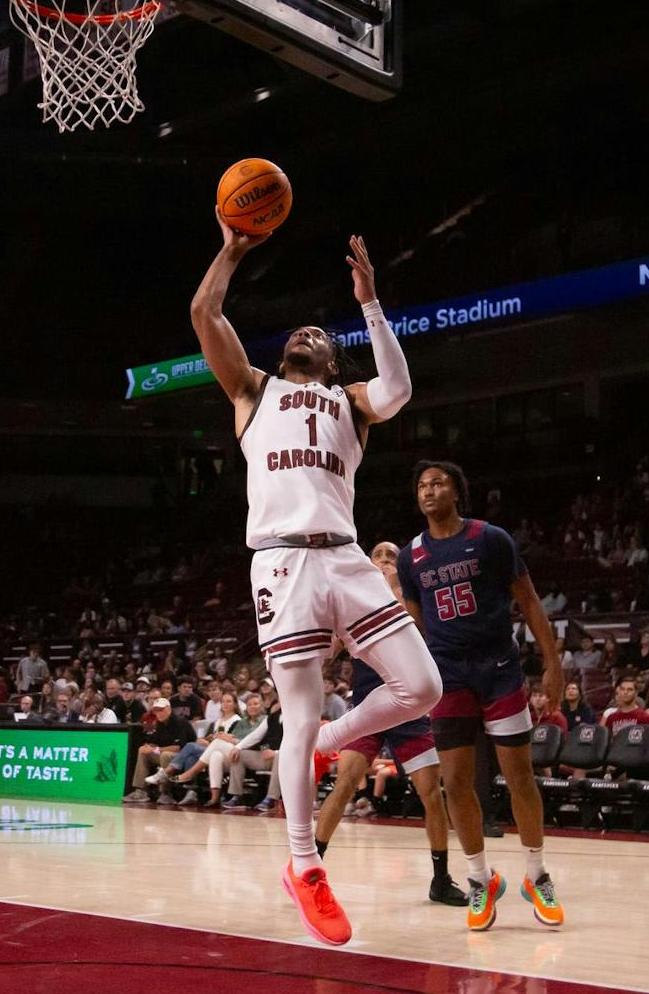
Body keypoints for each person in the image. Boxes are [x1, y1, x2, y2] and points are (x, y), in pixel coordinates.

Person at [191, 221, 439, 946]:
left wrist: (369, 303)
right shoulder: (252, 391)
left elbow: (397, 388)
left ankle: (333, 735)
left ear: (332, 359)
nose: (307, 332)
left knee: (420, 686)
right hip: (282, 562)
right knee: (295, 718)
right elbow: (205, 315)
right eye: (300, 330)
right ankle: (305, 866)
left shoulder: (352, 402)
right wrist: (233, 251)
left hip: (347, 557)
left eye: (320, 333)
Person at [331, 460, 564, 932]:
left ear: (457, 491)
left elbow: (530, 601)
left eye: (437, 483)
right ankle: (479, 879)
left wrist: (553, 663)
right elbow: (412, 625)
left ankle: (537, 874)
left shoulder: (491, 538)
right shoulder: (411, 556)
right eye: (420, 485)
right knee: (455, 782)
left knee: (518, 775)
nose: (428, 491)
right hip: (446, 676)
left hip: (499, 668)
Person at [313, 541, 468, 907]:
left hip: (409, 709)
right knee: (345, 783)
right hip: (368, 706)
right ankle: (311, 870)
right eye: (377, 556)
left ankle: (441, 879)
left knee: (432, 793)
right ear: (367, 564)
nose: (383, 560)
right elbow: (330, 649)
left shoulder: (411, 602)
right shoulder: (353, 601)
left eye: (390, 557)